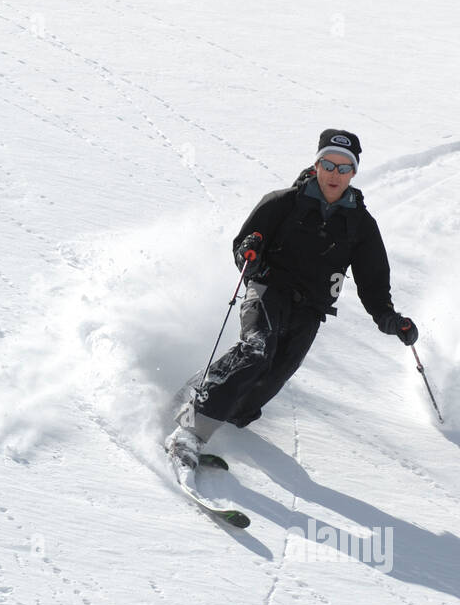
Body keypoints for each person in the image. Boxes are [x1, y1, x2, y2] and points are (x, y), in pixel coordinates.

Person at [165, 128, 418, 465]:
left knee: (259, 391)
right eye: (328, 164)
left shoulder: (360, 225)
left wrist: (389, 318)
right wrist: (248, 252)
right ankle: (189, 432)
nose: (334, 174)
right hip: (268, 289)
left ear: (354, 173)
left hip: (310, 311)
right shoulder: (282, 202)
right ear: (316, 166)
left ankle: (200, 389)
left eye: (344, 168)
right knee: (257, 350)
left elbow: (373, 282)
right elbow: (245, 244)